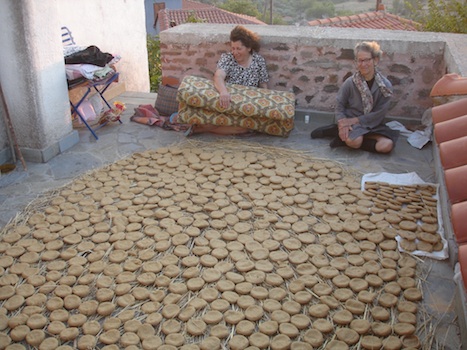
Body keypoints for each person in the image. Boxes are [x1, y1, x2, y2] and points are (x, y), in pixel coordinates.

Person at [310, 41, 398, 153]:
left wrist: (353, 121)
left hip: (373, 124)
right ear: (356, 62)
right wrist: (342, 124)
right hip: (353, 125)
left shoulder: (385, 86)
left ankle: (341, 137)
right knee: (355, 142)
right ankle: (342, 133)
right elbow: (339, 105)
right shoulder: (350, 83)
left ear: (375, 60)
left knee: (386, 146)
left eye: (367, 60)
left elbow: (379, 113)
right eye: (360, 60)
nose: (363, 64)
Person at [186, 25, 269, 136]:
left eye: (239, 49)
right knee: (224, 120)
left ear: (249, 48)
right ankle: (203, 127)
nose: (235, 52)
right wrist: (223, 92)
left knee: (244, 128)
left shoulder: (259, 61)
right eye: (233, 48)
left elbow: (263, 84)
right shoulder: (228, 58)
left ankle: (201, 129)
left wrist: (265, 102)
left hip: (247, 104)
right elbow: (219, 76)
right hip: (229, 102)